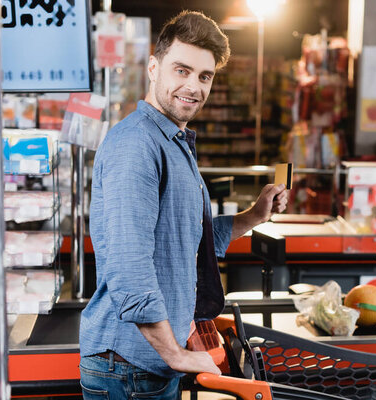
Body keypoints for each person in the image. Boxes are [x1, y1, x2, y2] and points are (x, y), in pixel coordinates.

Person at [79, 11, 288, 399]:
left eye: (204, 76)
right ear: (154, 68)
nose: (193, 86)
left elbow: (189, 239)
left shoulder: (174, 143)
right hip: (129, 367)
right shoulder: (137, 145)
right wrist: (175, 354)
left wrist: (255, 215)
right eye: (182, 70)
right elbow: (130, 268)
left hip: (147, 363)